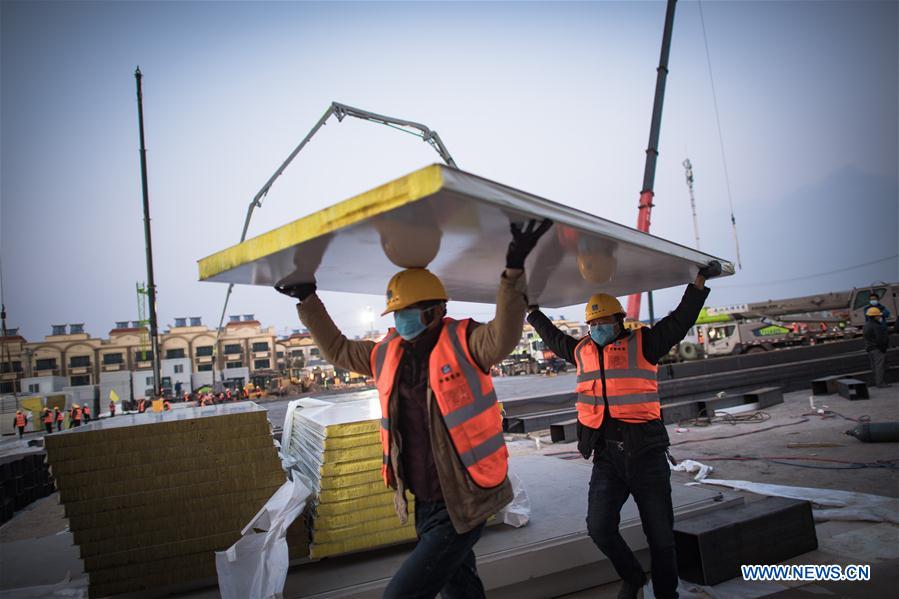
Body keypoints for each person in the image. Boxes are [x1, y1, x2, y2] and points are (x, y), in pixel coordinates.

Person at [276, 219, 551, 599]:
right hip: (422, 499)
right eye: (397, 311)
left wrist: (513, 272)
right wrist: (308, 299)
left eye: (409, 310)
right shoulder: (387, 352)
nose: (401, 318)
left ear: (436, 309)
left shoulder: (467, 342)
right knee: (461, 587)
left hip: (465, 499)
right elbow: (338, 349)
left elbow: (504, 335)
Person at [526, 260, 722, 599]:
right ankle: (633, 577)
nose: (599, 327)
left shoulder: (645, 343)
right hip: (606, 456)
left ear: (620, 321)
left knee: (660, 538)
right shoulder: (581, 350)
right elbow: (554, 336)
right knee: (599, 527)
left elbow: (680, 321)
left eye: (605, 321)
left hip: (645, 453)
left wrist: (699, 284)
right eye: (593, 323)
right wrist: (532, 312)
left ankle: (666, 595)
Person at [864, 307, 890, 388]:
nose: (880, 317)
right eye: (878, 316)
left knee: (874, 367)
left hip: (870, 348)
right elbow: (880, 339)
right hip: (877, 349)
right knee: (879, 367)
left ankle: (877, 382)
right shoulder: (876, 326)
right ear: (875, 316)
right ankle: (880, 383)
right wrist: (883, 348)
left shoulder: (866, 325)